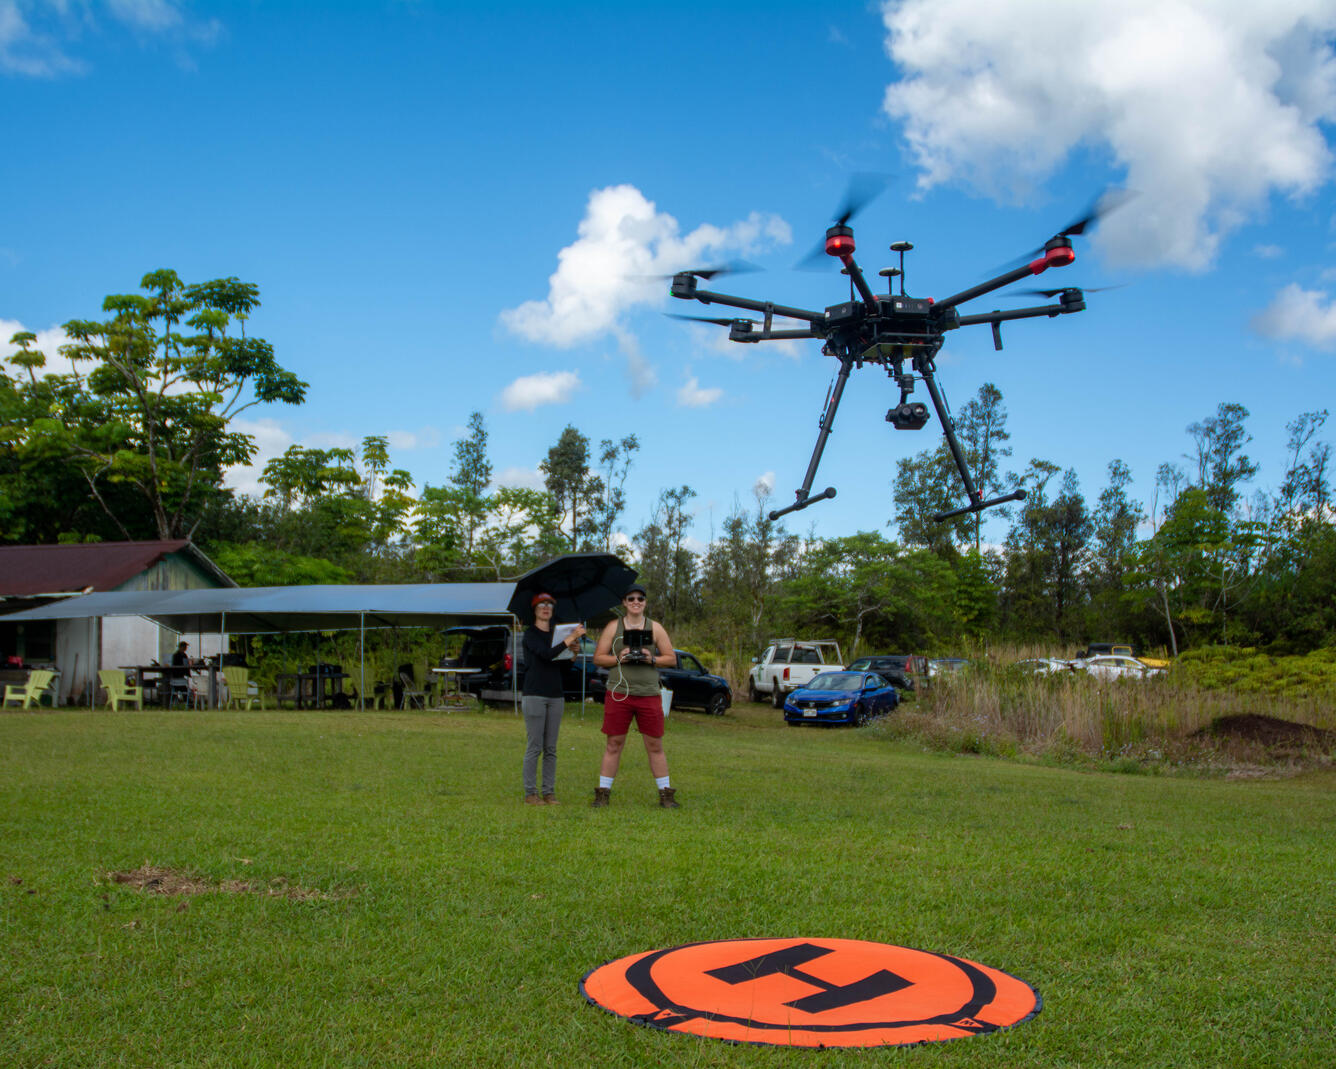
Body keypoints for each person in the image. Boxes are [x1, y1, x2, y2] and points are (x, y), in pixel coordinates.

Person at [590, 583, 680, 808]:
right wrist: (620, 657)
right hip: (619, 692)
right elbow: (599, 658)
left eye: (640, 598)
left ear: (645, 602)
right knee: (614, 743)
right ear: (624, 602)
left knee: (654, 744)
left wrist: (652, 659)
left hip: (648, 693)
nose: (636, 602)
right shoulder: (613, 627)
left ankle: (666, 795)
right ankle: (603, 794)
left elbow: (671, 658)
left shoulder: (655, 627)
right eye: (631, 598)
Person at [521, 593, 585, 806]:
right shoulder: (530, 634)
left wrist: (573, 652)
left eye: (549, 604)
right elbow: (546, 654)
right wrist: (570, 638)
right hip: (535, 694)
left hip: (556, 695)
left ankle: (549, 792)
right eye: (541, 604)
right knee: (535, 746)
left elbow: (562, 665)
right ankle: (531, 793)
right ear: (535, 609)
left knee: (551, 748)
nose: (546, 607)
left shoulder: (557, 635)